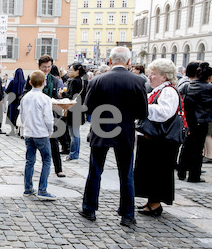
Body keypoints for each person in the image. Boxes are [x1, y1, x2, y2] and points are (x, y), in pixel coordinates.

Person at [79, 47, 148, 227]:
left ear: (110, 61)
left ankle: (89, 208)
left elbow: (89, 108)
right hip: (124, 130)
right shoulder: (138, 81)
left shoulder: (98, 80)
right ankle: (127, 215)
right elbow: (143, 112)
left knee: (95, 171)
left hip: (101, 129)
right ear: (128, 62)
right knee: (126, 174)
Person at [134, 58, 182, 217]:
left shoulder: (168, 90)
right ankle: (151, 201)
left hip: (161, 140)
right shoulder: (160, 89)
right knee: (149, 170)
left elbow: (164, 113)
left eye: (153, 74)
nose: (150, 77)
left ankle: (155, 204)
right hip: (154, 138)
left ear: (164, 76)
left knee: (157, 171)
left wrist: (143, 107)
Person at [24, 55, 65, 177]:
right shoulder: (31, 78)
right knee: (33, 146)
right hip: (36, 115)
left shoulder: (55, 80)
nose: (46, 69)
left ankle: (58, 169)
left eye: (48, 67)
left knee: (54, 142)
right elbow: (25, 93)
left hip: (50, 114)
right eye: (44, 67)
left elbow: (57, 97)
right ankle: (30, 168)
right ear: (39, 66)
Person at [21, 70, 56, 200]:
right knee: (46, 160)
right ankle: (42, 189)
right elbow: (48, 118)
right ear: (44, 82)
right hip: (41, 133)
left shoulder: (25, 97)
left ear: (30, 82)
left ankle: (28, 188)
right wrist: (50, 131)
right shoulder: (45, 99)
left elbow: (22, 115)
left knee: (29, 161)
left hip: (29, 133)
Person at [178, 62, 212, 183]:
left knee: (186, 146)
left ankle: (181, 172)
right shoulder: (209, 88)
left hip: (188, 120)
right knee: (197, 149)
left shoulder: (187, 85)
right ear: (208, 77)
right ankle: (194, 175)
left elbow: (180, 99)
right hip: (202, 122)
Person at [61, 63, 88, 161]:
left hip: (73, 110)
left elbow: (71, 96)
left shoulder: (74, 82)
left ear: (77, 71)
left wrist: (63, 94)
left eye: (71, 70)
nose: (69, 71)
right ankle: (74, 153)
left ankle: (73, 154)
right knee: (75, 133)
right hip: (79, 109)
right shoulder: (83, 81)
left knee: (74, 134)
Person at [5, 68, 25, 137]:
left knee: (12, 115)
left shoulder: (12, 82)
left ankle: (12, 130)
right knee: (19, 115)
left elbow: (7, 91)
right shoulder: (24, 82)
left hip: (12, 101)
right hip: (20, 102)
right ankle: (19, 131)